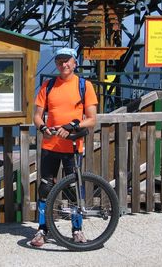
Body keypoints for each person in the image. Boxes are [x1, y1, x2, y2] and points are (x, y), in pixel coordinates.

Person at [31, 47, 98, 247]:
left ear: (74, 62)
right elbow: (36, 115)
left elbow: (92, 119)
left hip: (73, 147)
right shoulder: (48, 86)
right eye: (60, 61)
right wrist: (43, 127)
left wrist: (73, 126)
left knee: (73, 191)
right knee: (45, 188)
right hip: (50, 146)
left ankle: (77, 230)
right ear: (56, 63)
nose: (63, 64)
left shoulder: (84, 86)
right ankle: (42, 230)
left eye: (67, 60)